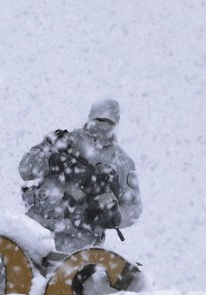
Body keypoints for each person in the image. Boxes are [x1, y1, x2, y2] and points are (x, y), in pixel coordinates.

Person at [18, 99, 142, 253]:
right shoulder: (63, 140)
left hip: (78, 245)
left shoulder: (121, 162)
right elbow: (25, 168)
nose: (102, 124)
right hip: (35, 230)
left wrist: (115, 216)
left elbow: (133, 208)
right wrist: (52, 161)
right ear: (90, 116)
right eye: (99, 118)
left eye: (108, 121)